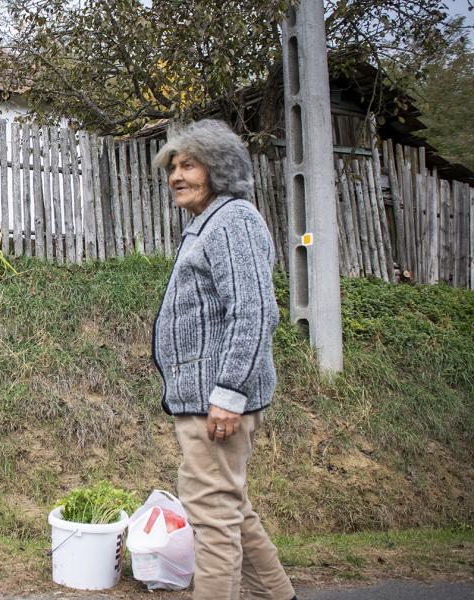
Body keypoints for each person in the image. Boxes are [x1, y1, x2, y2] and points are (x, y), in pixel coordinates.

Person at [150, 120, 296, 600]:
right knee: (231, 509)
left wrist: (229, 394)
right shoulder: (207, 224)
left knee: (212, 519)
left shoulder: (233, 220)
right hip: (205, 399)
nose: (176, 175)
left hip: (217, 402)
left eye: (188, 164)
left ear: (220, 169)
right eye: (173, 167)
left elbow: (253, 312)